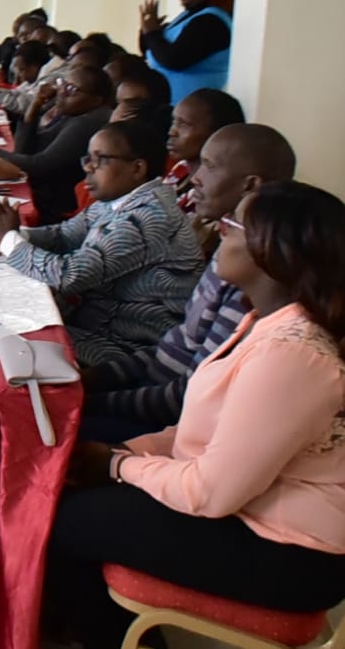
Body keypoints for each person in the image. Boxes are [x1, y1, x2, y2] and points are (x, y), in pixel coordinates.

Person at [44, 180, 345, 649]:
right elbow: (200, 433)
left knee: (63, 518)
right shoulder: (261, 322)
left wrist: (117, 465)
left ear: (274, 250)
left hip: (287, 553)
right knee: (67, 492)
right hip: (248, 509)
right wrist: (129, 451)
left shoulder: (293, 356)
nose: (216, 229)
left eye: (233, 224)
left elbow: (210, 493)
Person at [80, 124, 298, 441]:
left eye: (208, 166)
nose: (194, 177)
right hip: (148, 394)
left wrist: (87, 401)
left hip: (172, 429)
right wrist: (89, 380)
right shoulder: (230, 251)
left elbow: (187, 398)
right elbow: (173, 346)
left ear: (250, 186)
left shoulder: (257, 286)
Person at [0, 119, 204, 369]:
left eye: (101, 159)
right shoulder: (119, 200)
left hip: (125, 347)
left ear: (137, 168)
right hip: (93, 321)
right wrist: (11, 231)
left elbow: (69, 276)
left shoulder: (147, 217)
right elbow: (62, 236)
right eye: (88, 159)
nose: (89, 168)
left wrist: (7, 238)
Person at [0, 65, 114, 222]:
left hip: (53, 207)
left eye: (72, 89)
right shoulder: (69, 110)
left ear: (98, 100)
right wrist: (35, 104)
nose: (62, 92)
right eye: (62, 84)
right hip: (35, 190)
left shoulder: (89, 121)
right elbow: (22, 152)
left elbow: (41, 166)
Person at [140, 0, 236, 101]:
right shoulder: (190, 15)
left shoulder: (211, 22)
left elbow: (174, 59)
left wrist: (152, 32)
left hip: (186, 107)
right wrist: (147, 29)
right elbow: (152, 51)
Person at [164, 88, 245, 209]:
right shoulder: (181, 168)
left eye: (184, 125)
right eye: (174, 122)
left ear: (216, 134)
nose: (172, 132)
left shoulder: (215, 191)